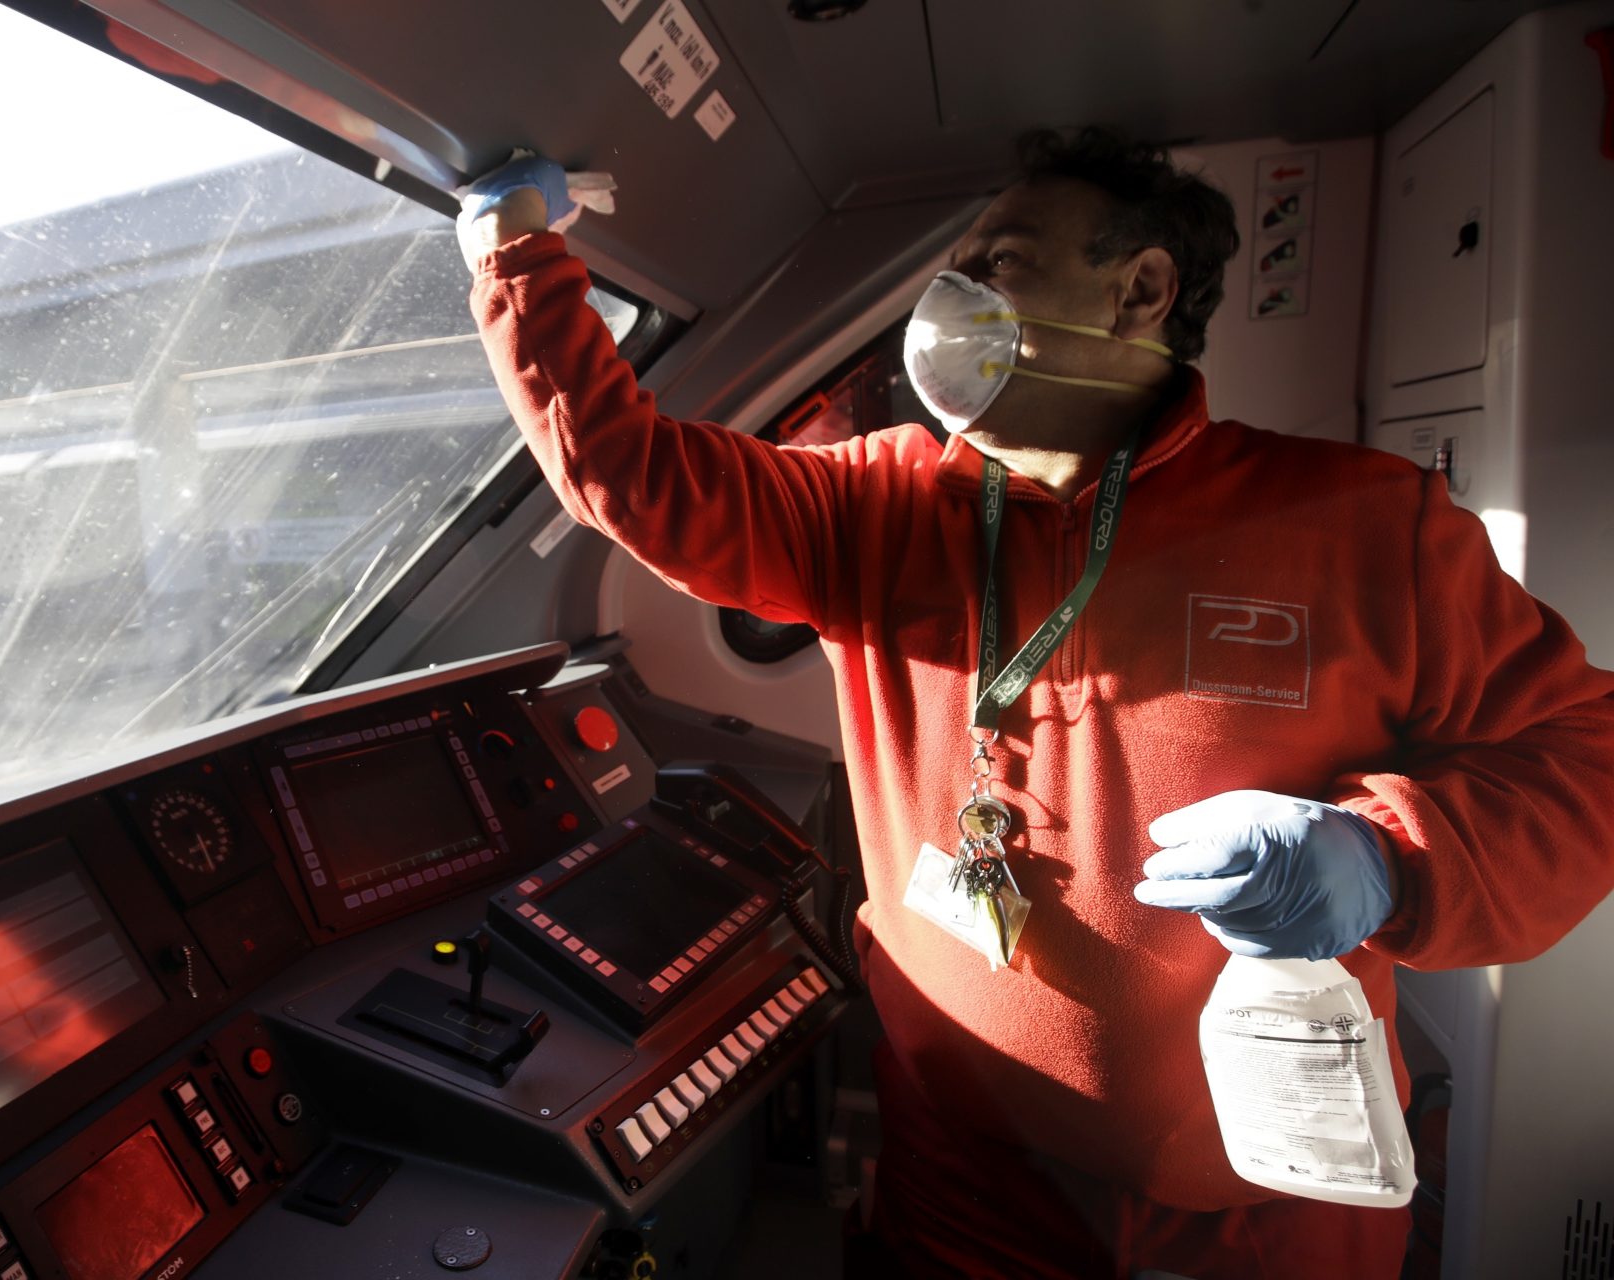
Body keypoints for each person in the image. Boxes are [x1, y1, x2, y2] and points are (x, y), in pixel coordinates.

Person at [453, 129, 1614, 1279]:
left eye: (997, 263)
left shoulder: (1364, 523)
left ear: (1138, 293)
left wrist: (1388, 853)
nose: (948, 300)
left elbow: (1586, 759)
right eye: (947, 272)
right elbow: (636, 476)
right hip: (965, 1190)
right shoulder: (878, 501)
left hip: (1261, 1209)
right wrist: (518, 260)